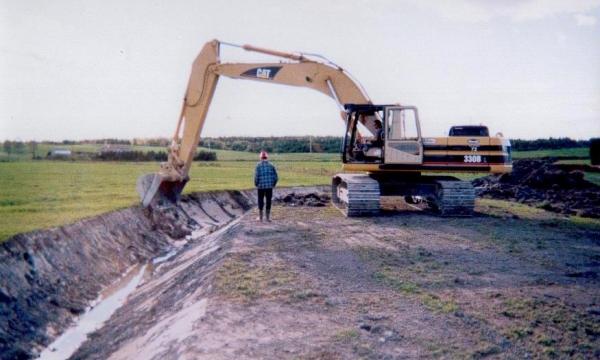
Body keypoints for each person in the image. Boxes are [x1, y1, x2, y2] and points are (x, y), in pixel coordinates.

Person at [254, 150, 278, 222]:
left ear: (261, 158)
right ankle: (267, 218)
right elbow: (276, 177)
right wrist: (273, 184)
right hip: (269, 187)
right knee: (268, 201)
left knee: (260, 200)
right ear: (267, 157)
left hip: (260, 187)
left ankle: (260, 217)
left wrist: (256, 184)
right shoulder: (272, 165)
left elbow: (256, 177)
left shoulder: (258, 166)